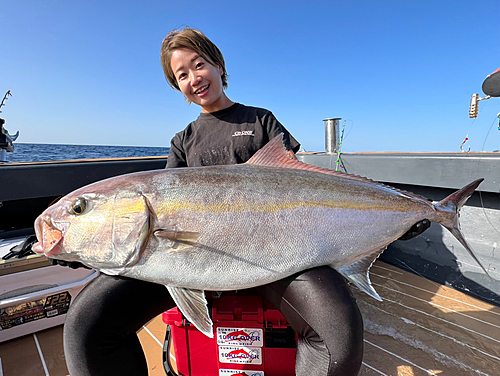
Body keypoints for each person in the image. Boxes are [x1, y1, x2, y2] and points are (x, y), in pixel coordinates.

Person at [61, 27, 430, 376]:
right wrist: (83, 245)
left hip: (280, 258)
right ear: (178, 87)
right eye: (182, 75)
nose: (195, 78)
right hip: (183, 264)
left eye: (199, 64)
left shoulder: (260, 120)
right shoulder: (183, 141)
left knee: (339, 336)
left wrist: (398, 221)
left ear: (219, 66)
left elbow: (304, 184)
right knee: (85, 326)